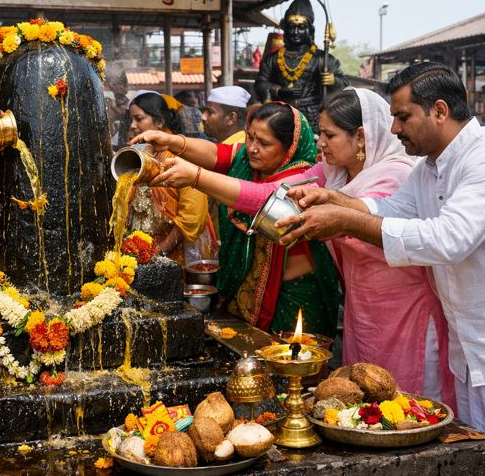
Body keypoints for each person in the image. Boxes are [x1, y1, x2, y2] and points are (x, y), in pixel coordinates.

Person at [276, 63, 485, 476]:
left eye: (403, 116)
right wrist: (331, 198)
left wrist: (343, 220)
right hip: (468, 347)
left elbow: (449, 239)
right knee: (475, 456)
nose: (393, 128)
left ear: (440, 111)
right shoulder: (429, 166)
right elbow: (385, 209)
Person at [155, 87, 456, 405]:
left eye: (329, 135)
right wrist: (196, 176)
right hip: (362, 310)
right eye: (320, 133)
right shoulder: (332, 172)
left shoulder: (395, 175)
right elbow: (268, 196)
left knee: (404, 401)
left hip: (405, 312)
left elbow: (362, 221)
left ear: (361, 138)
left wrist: (196, 177)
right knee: (362, 399)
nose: (320, 144)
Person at [131, 102, 342, 337]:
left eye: (264, 143)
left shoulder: (303, 178)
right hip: (247, 292)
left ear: (289, 148)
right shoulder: (246, 159)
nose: (252, 148)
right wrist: (171, 141)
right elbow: (216, 153)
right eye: (250, 137)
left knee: (293, 363)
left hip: (294, 294)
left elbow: (258, 197)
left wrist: (196, 177)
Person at [125, 92, 215, 264]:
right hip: (139, 255)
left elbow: (191, 217)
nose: (133, 126)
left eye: (139, 118)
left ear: (159, 122)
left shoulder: (181, 159)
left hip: (178, 257)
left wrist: (158, 254)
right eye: (131, 119)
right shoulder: (136, 155)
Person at [254, 0, 348, 133]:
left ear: (310, 30)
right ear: (285, 29)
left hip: (312, 116)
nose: (296, 32)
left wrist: (333, 80)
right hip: (280, 114)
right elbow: (260, 83)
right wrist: (278, 90)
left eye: (301, 27)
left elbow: (344, 84)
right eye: (292, 27)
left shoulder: (322, 58)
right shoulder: (273, 59)